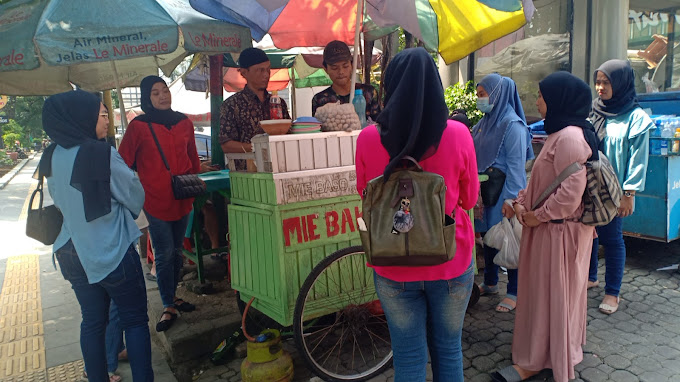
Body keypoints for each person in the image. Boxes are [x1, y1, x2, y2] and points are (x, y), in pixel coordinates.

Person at [355, 47, 479, 382]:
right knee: (448, 350)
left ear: (390, 86)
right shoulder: (458, 133)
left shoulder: (367, 138)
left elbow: (365, 196)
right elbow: (469, 199)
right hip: (451, 261)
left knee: (408, 358)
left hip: (392, 263)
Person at [490, 72, 598, 382]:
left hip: (558, 234)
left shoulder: (569, 138)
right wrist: (521, 201)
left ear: (559, 100)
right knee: (549, 296)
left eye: (541, 96)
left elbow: (570, 194)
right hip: (552, 232)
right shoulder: (561, 133)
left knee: (549, 297)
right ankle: (550, 352)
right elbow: (545, 183)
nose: (537, 101)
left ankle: (539, 359)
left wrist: (541, 215)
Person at [43, 90, 153, 381]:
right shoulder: (101, 153)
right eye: (101, 114)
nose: (107, 120)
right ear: (82, 117)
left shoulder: (51, 154)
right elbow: (134, 195)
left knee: (92, 322)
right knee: (135, 321)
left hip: (69, 249)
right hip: (110, 249)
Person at [119, 76, 211, 332]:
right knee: (164, 252)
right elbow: (123, 161)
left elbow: (192, 157)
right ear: (146, 98)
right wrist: (136, 188)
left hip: (182, 196)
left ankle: (173, 295)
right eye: (155, 93)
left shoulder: (183, 122)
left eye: (165, 90)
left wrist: (193, 183)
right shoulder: (138, 126)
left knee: (178, 251)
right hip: (155, 199)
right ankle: (168, 304)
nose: (162, 96)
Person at [588, 59, 653, 315]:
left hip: (614, 191)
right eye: (598, 81)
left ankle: (612, 292)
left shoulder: (636, 118)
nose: (600, 88)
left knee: (612, 239)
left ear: (621, 84)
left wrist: (629, 194)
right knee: (589, 234)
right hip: (590, 186)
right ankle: (591, 276)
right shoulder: (595, 110)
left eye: (606, 82)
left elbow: (639, 159)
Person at [472, 73, 533, 313]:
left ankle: (514, 291)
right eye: (478, 95)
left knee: (509, 241)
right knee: (489, 238)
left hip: (504, 194)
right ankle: (490, 282)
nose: (480, 100)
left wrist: (512, 200)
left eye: (482, 94)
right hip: (486, 192)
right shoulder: (484, 123)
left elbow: (517, 167)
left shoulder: (513, 126)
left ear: (497, 94)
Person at [220, 47, 291, 171]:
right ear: (244, 72)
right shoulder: (231, 105)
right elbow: (226, 145)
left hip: (279, 168)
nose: (266, 75)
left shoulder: (278, 103)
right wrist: (258, 148)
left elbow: (288, 134)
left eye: (268, 70)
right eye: (260, 70)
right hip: (246, 174)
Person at [311, 40, 381, 122]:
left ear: (352, 65)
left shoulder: (368, 92)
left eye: (345, 66)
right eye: (334, 68)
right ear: (326, 69)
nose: (341, 72)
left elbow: (379, 125)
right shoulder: (320, 99)